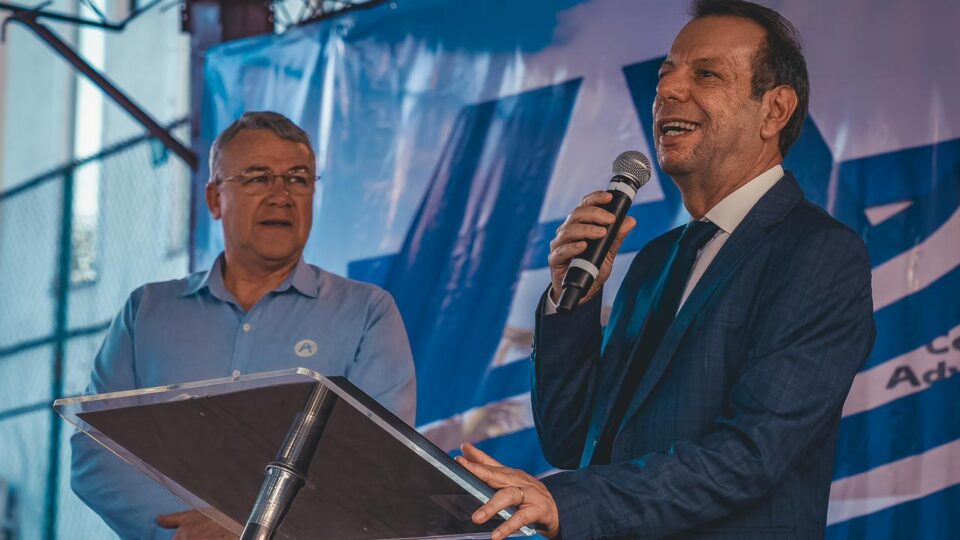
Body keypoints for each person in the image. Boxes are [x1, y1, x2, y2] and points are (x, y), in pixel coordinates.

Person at [456, 1, 875, 538]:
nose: (669, 91)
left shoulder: (818, 253)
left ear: (774, 110)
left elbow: (751, 452)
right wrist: (572, 301)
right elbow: (572, 438)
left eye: (705, 74)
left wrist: (566, 502)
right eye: (665, 75)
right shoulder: (656, 260)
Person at [70, 111, 416, 540]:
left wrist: (256, 527)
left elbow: (377, 460)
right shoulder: (148, 311)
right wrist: (183, 531)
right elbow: (96, 450)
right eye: (256, 178)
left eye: (298, 178)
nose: (281, 195)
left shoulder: (367, 313)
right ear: (215, 199)